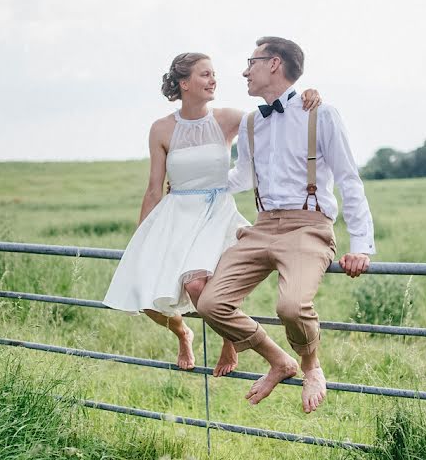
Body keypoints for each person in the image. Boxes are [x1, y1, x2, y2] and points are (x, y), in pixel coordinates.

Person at [103, 52, 322, 373]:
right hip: (176, 214)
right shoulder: (161, 129)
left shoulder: (228, 119)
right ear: (184, 83)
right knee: (145, 294)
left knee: (196, 286)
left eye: (213, 74)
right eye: (205, 74)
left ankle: (231, 342)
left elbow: (277, 114)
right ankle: (182, 332)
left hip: (216, 212)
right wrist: (141, 239)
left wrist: (304, 96)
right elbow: (153, 187)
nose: (213, 80)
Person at [197, 37, 375, 414]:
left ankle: (312, 368)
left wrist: (360, 245)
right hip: (261, 227)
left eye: (251, 62)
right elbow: (242, 177)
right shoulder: (249, 123)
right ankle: (278, 359)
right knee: (211, 302)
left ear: (274, 64)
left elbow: (348, 179)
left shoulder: (321, 114)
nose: (245, 70)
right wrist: (194, 186)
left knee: (291, 306)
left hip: (308, 227)